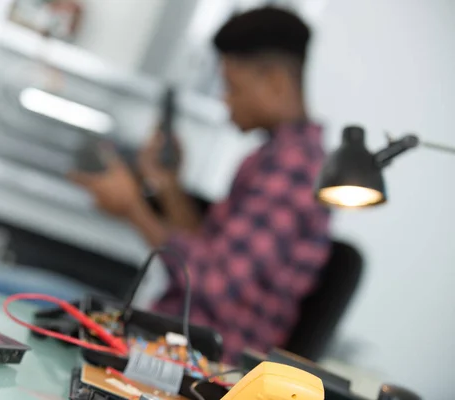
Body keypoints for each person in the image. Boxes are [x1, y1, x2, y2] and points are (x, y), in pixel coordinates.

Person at [72, 5, 332, 364]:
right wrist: (168, 185)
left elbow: (214, 284)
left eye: (232, 87)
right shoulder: (270, 158)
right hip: (171, 339)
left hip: (203, 360)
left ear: (275, 81)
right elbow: (207, 247)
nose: (226, 101)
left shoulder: (294, 170)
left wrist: (134, 209)